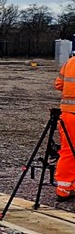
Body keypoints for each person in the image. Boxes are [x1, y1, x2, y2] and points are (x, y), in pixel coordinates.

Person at [54, 49, 75, 201]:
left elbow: (59, 84)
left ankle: (63, 188)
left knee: (67, 151)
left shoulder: (70, 62)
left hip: (67, 114)